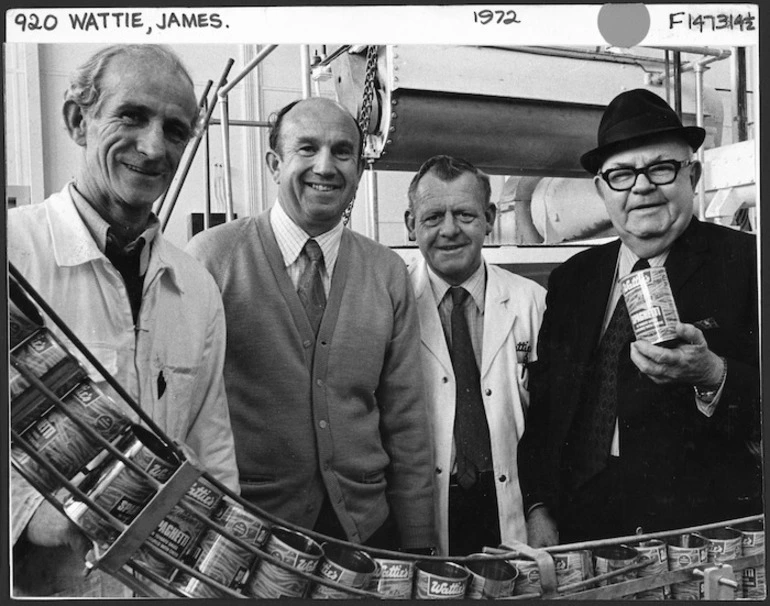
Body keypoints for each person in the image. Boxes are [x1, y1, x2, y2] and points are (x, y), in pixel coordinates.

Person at [8, 44, 240, 596]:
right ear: (77, 120)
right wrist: (23, 513)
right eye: (131, 116)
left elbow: (212, 454)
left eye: (176, 130)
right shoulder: (15, 254)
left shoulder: (196, 287)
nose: (154, 146)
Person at [186, 97, 435, 553]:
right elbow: (183, 413)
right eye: (306, 149)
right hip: (247, 532)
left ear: (358, 171)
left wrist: (418, 541)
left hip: (366, 532)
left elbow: (406, 422)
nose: (325, 166)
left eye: (342, 152)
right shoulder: (211, 260)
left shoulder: (386, 273)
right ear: (273, 164)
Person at [518, 88, 761, 547]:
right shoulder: (573, 280)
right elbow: (546, 412)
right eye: (622, 174)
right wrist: (538, 505)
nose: (641, 186)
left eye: (661, 168)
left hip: (695, 538)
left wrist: (713, 374)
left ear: (693, 174)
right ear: (600, 190)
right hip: (581, 527)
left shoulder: (749, 264)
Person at [404, 155, 546, 555]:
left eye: (465, 215)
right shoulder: (390, 304)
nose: (449, 230)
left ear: (488, 218)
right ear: (410, 224)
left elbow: (550, 423)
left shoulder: (531, 302)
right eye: (433, 217)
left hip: (510, 504)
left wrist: (541, 508)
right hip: (425, 509)